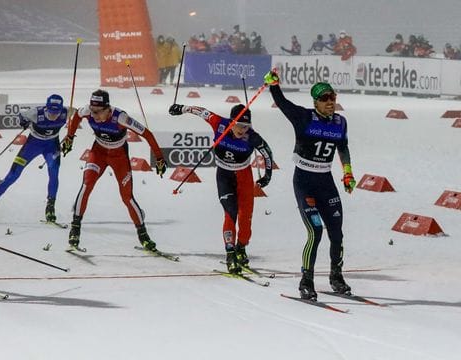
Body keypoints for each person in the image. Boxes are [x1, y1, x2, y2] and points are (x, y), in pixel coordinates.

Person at [263, 69, 356, 301]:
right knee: (315, 232)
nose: (330, 102)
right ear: (315, 101)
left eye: (333, 98)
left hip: (326, 182)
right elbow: (283, 103)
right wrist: (273, 85)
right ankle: (307, 280)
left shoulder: (340, 122)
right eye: (325, 99)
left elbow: (342, 148)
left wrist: (347, 173)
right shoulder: (303, 117)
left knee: (337, 234)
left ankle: (336, 276)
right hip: (304, 181)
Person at [168, 103, 273, 274]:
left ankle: (241, 247)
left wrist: (267, 176)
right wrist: (181, 108)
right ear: (231, 122)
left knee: (245, 220)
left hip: (244, 176)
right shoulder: (219, 123)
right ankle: (230, 253)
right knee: (230, 212)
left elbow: (268, 153)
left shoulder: (252, 137)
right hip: (224, 175)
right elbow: (201, 111)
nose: (242, 130)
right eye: (239, 125)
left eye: (246, 126)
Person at [61, 89, 167, 251]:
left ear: (108, 109)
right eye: (92, 110)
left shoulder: (121, 118)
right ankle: (75, 229)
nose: (94, 115)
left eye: (98, 112)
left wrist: (159, 158)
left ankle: (143, 235)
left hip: (119, 158)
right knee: (86, 186)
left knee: (127, 197)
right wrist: (69, 137)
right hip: (98, 153)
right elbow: (76, 118)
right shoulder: (87, 111)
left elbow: (148, 134)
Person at [0, 94, 70, 222]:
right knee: (13, 175)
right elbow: (21, 115)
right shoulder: (36, 113)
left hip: (51, 146)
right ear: (46, 108)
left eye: (57, 112)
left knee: (54, 172)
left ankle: (50, 206)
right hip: (32, 145)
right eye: (51, 112)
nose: (54, 115)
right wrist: (23, 121)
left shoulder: (66, 112)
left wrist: (70, 136)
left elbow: (79, 114)